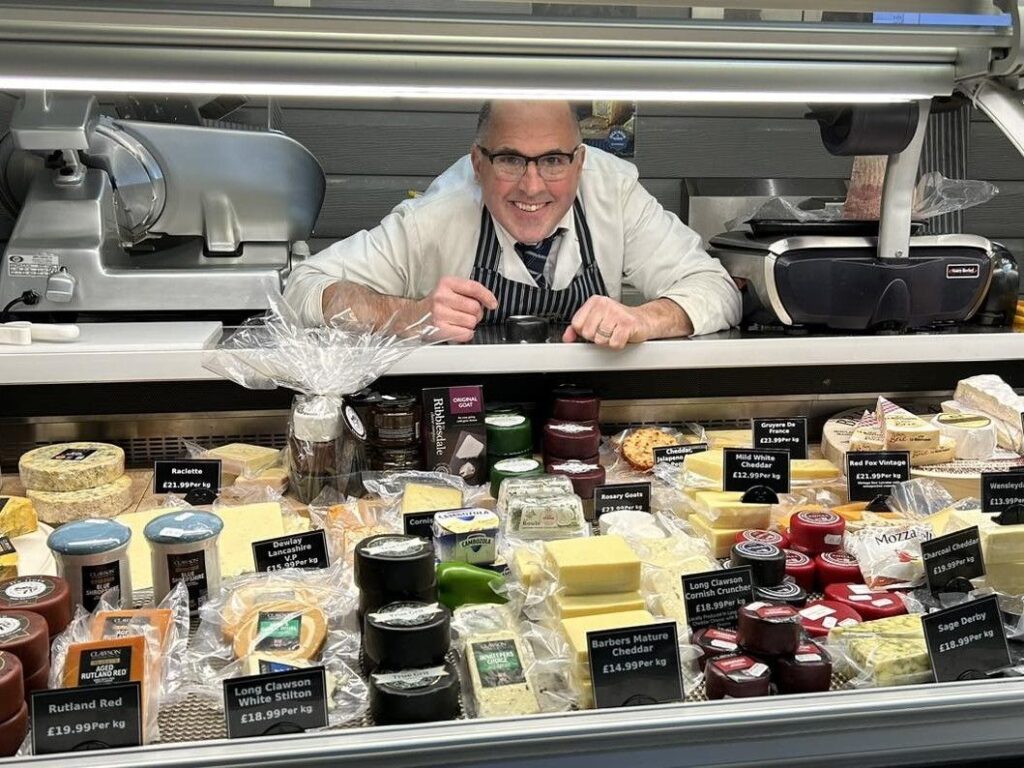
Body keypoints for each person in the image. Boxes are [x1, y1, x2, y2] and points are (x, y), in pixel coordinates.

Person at [284, 100, 740, 348]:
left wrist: (643, 319)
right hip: (459, 422)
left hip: (592, 420)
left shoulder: (613, 193)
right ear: (478, 162)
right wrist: (404, 315)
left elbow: (716, 288)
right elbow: (303, 287)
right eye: (510, 160)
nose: (532, 186)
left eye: (554, 160)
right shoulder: (435, 216)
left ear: (580, 162)